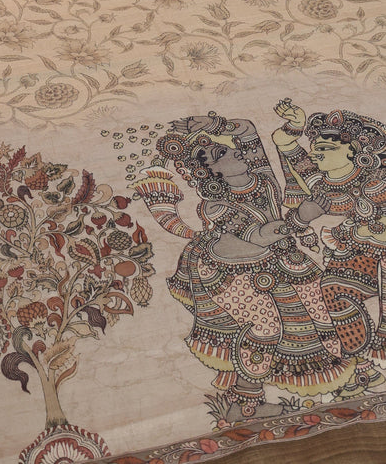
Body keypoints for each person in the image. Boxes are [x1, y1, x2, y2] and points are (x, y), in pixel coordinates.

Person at [134, 113, 354, 422]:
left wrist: (215, 126)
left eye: (228, 147)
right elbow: (258, 235)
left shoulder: (261, 179)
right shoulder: (215, 206)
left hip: (278, 257)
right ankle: (245, 404)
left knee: (322, 307)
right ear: (211, 173)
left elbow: (248, 130)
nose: (235, 150)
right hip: (230, 269)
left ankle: (353, 377)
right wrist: (301, 218)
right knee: (266, 329)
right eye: (221, 153)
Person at [272, 100, 386, 396]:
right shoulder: (321, 185)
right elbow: (284, 142)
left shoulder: (378, 180)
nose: (313, 153)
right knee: (332, 289)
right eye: (314, 148)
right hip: (356, 254)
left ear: (354, 151)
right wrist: (295, 125)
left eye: (325, 148)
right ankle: (362, 366)